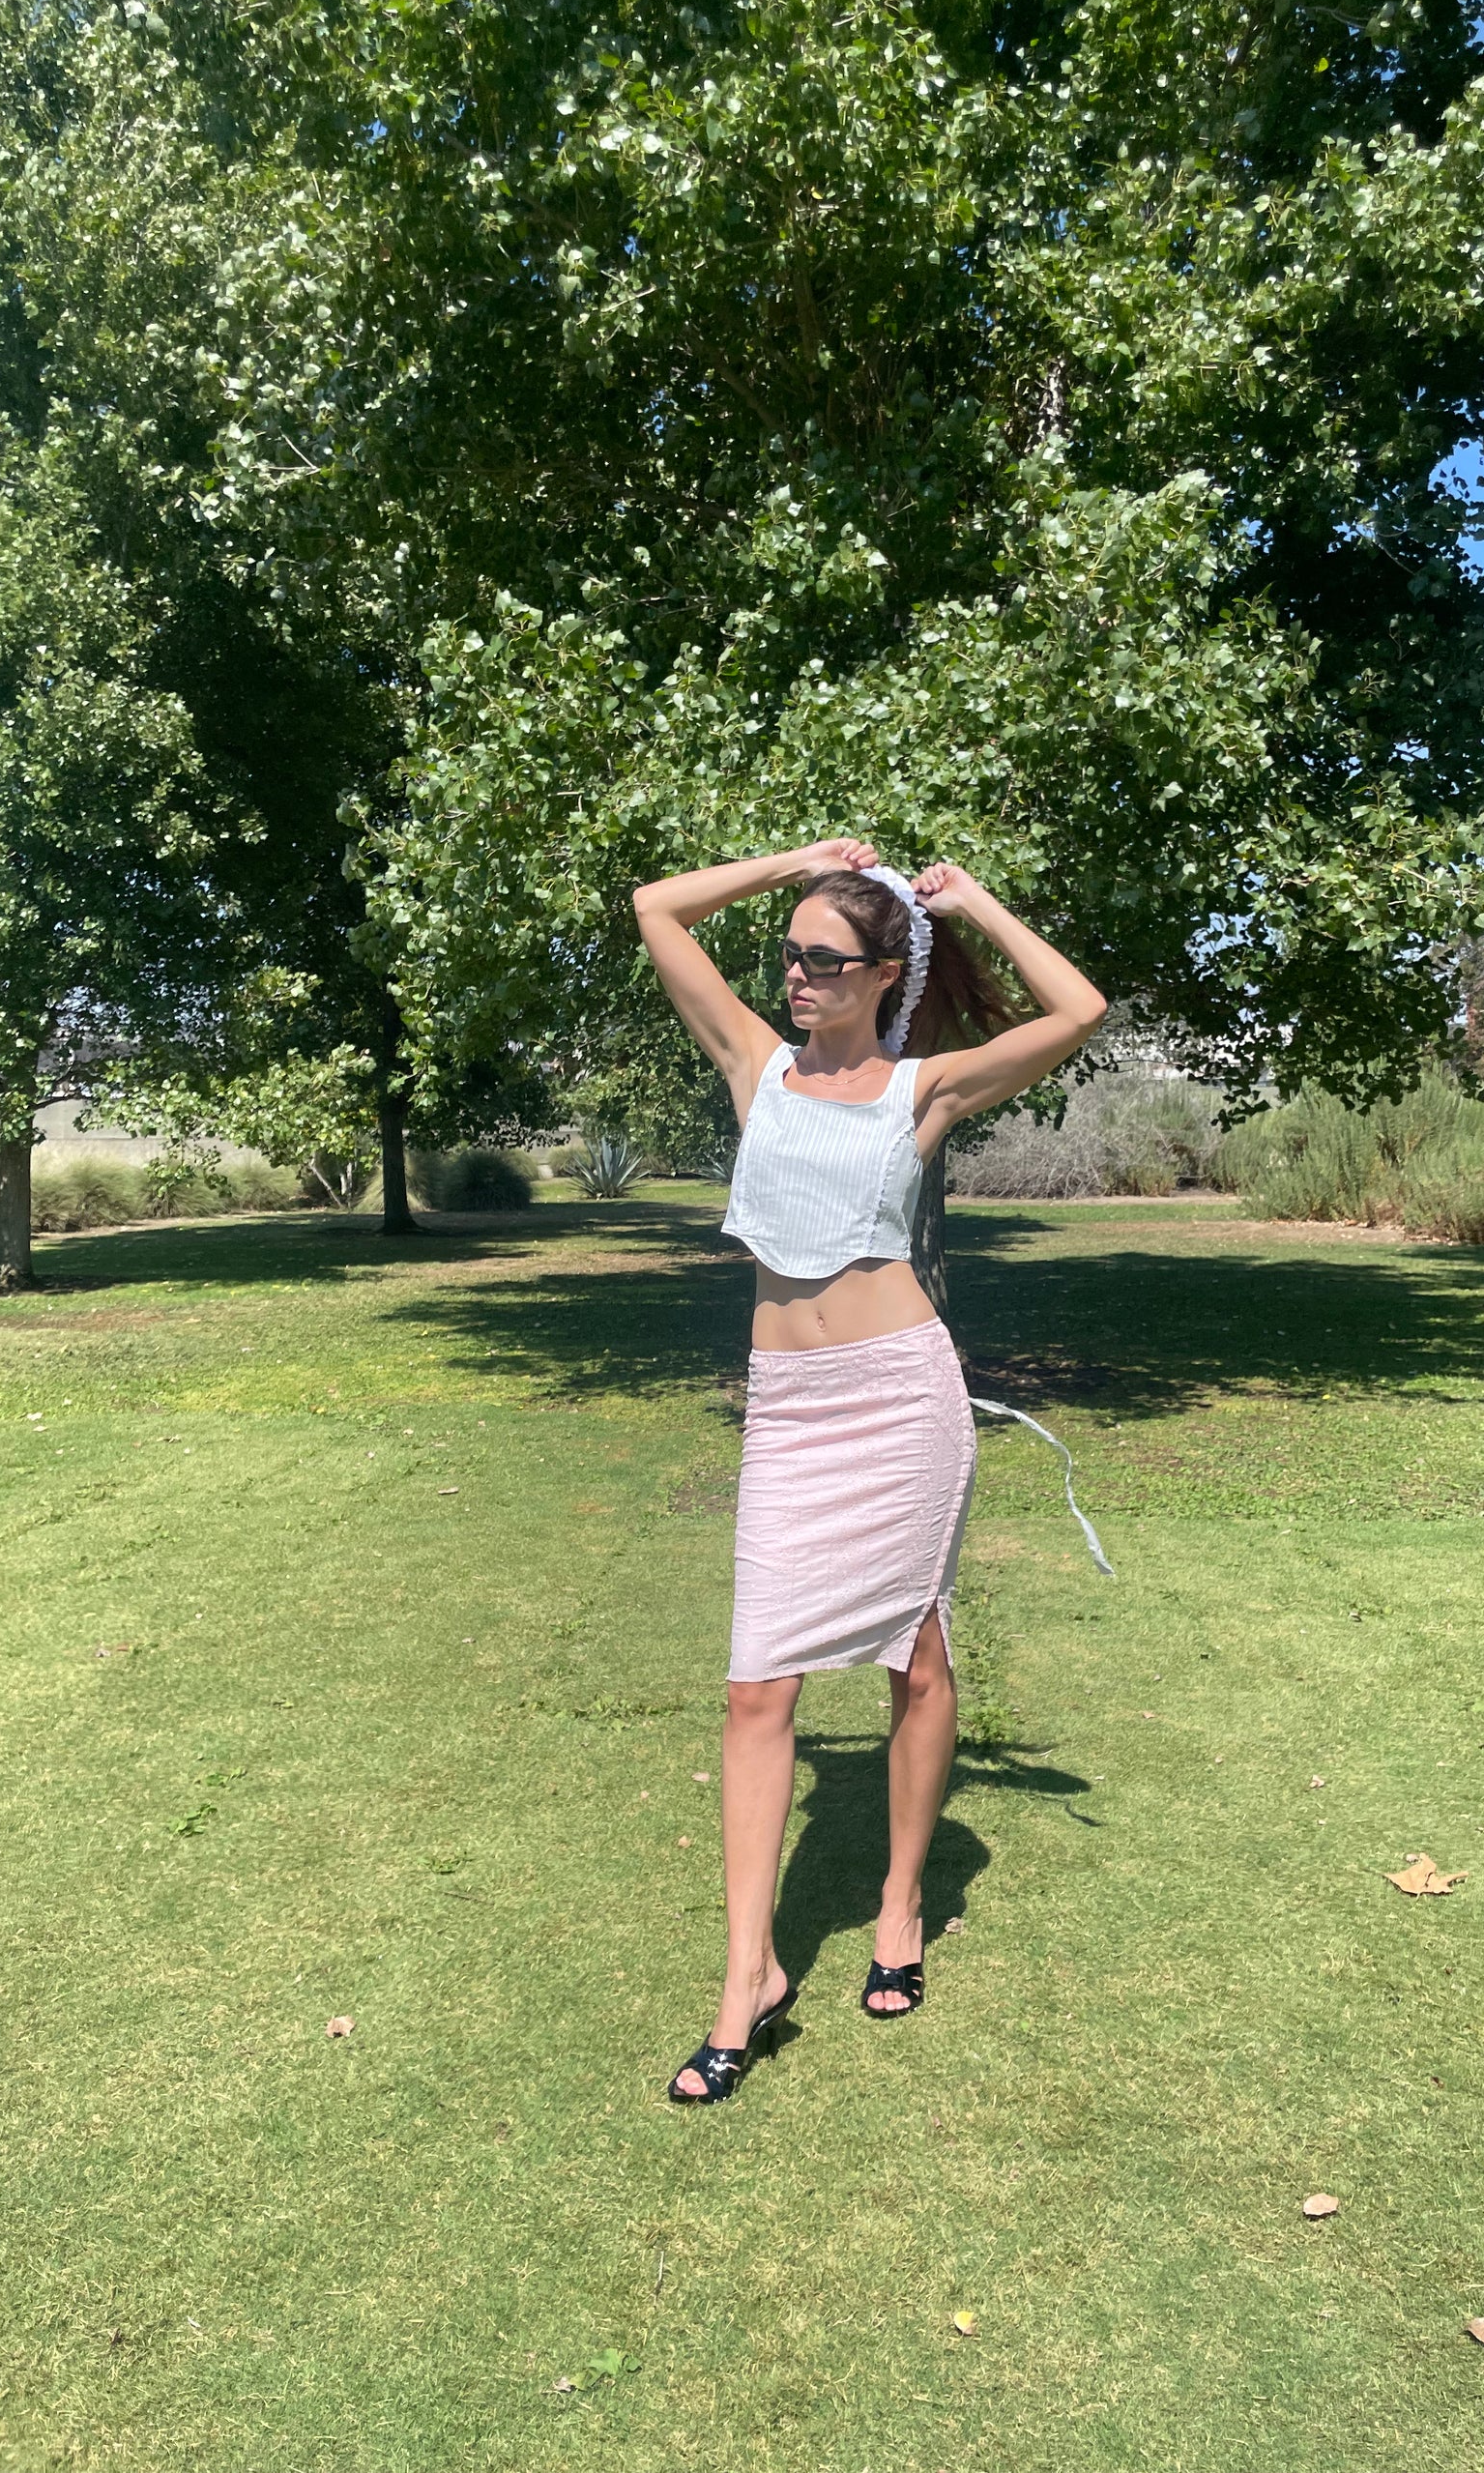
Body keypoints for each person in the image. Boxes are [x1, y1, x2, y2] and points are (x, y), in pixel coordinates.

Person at [634, 838, 1106, 2103]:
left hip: (901, 1399)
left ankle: (898, 1903)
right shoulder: (755, 1063)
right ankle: (749, 1972)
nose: (793, 975)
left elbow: (1080, 1011)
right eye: (786, 954)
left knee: (918, 1657)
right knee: (753, 1692)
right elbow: (654, 905)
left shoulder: (924, 1088)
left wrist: (972, 903)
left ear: (880, 973)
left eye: (822, 959)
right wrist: (794, 861)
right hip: (790, 1410)